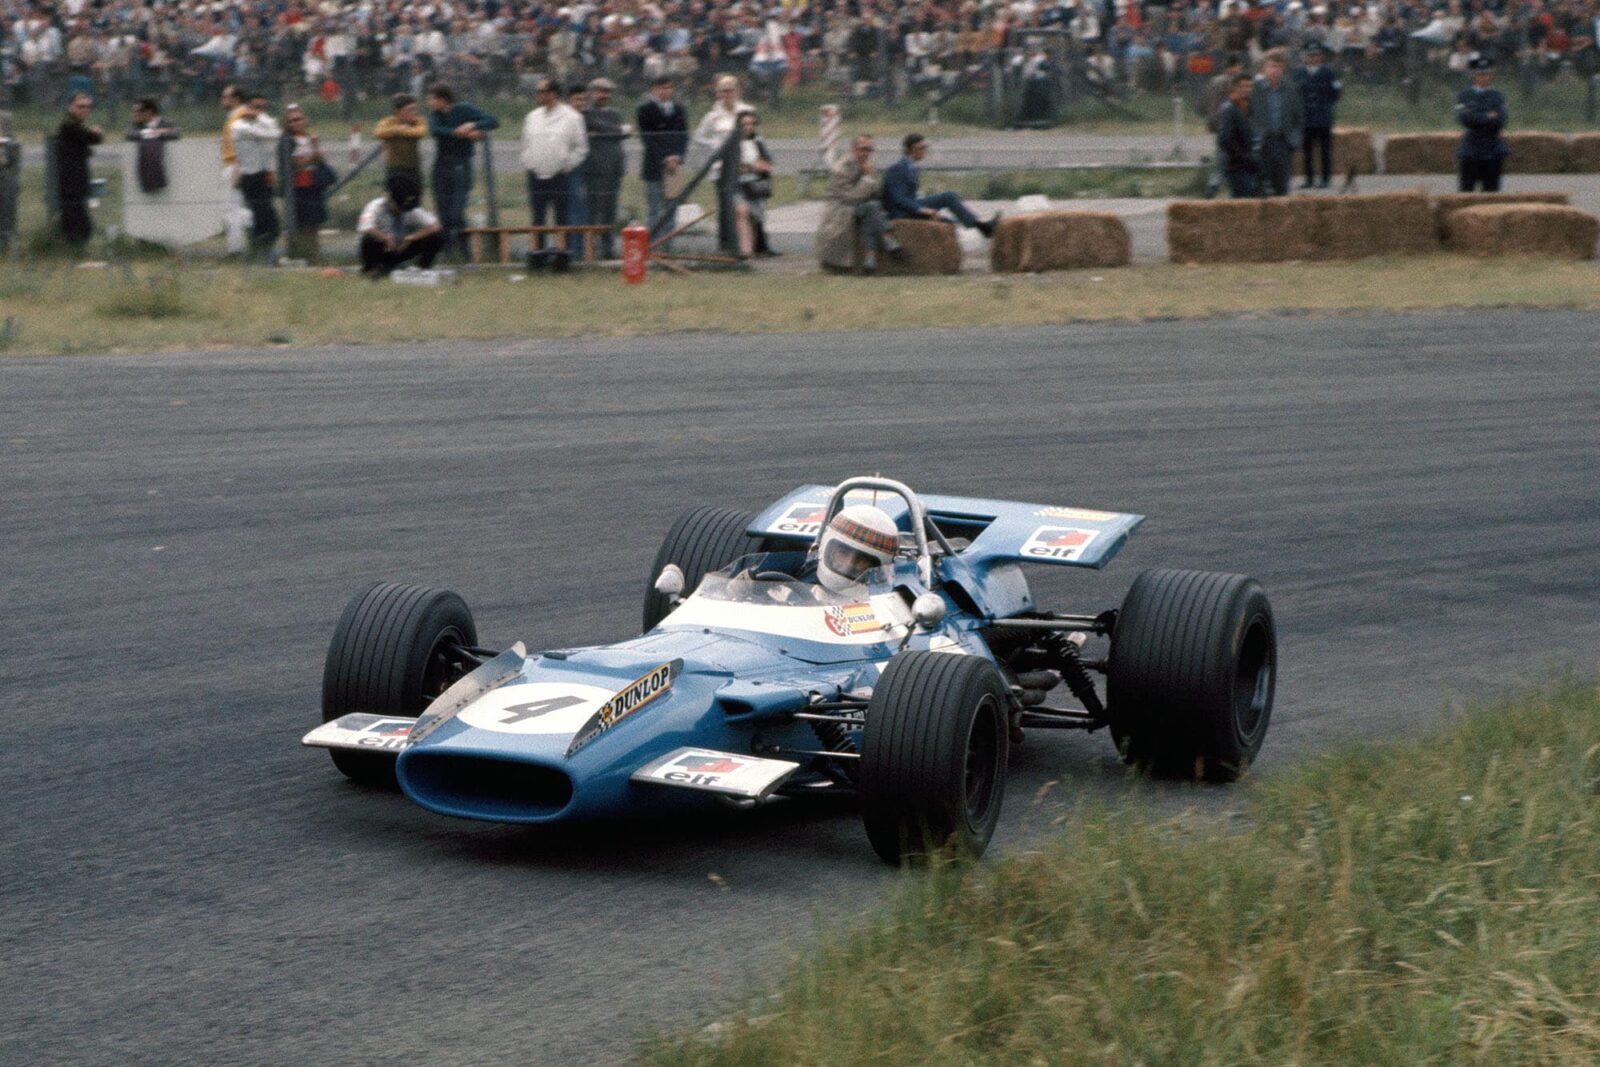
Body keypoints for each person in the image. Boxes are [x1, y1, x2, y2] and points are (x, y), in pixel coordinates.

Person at [427, 82, 499, 260]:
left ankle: (465, 251)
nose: (429, 102)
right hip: (441, 165)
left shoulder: (464, 109)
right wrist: (457, 132)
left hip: (461, 165)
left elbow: (492, 121)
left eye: (432, 98)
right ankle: (447, 253)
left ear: (443, 99)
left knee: (456, 212)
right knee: (443, 212)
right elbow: (435, 130)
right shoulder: (435, 115)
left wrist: (472, 126)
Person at [882, 133, 998, 237]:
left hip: (910, 207)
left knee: (948, 218)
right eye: (923, 148)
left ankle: (979, 225)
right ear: (913, 149)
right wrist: (921, 209)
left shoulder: (911, 167)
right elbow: (898, 198)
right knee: (948, 198)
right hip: (901, 213)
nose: (925, 151)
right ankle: (981, 227)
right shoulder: (897, 168)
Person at [520, 77, 588, 251]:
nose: (537, 95)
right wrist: (530, 164)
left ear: (552, 94)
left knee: (562, 219)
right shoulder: (532, 117)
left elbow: (581, 148)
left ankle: (563, 255)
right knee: (538, 219)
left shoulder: (572, 117)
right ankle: (538, 254)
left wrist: (567, 165)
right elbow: (525, 144)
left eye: (541, 91)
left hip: (559, 176)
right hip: (536, 176)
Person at [816, 133, 898, 274]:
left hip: (861, 207)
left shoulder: (868, 165)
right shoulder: (843, 167)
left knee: (872, 212)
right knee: (872, 207)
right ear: (853, 149)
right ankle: (889, 241)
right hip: (840, 210)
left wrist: (871, 178)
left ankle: (870, 260)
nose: (866, 153)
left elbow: (877, 194)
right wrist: (868, 179)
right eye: (863, 149)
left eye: (869, 149)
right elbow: (852, 197)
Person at [358, 173, 446, 276]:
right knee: (368, 239)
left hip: (400, 248)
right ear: (389, 197)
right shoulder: (375, 206)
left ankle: (422, 267)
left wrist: (410, 238)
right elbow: (366, 227)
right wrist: (385, 238)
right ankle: (372, 269)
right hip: (382, 248)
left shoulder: (408, 209)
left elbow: (435, 226)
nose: (400, 210)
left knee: (438, 236)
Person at [636, 75, 689, 244]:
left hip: (674, 168)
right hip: (654, 166)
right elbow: (648, 139)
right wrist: (664, 157)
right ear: (654, 89)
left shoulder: (679, 110)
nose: (665, 91)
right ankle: (652, 244)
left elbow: (684, 136)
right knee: (654, 209)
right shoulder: (645, 110)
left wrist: (677, 156)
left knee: (671, 208)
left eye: (668, 87)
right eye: (661, 88)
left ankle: (668, 244)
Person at [231, 90, 282, 262]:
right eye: (255, 107)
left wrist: (271, 171)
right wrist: (264, 121)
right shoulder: (239, 126)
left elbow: (271, 148)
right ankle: (258, 249)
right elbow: (273, 134)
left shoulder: (262, 122)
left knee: (265, 214)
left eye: (262, 108)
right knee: (259, 214)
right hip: (248, 176)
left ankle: (263, 250)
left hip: (263, 174)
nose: (259, 111)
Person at [583, 77, 628, 259]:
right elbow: (618, 131)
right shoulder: (586, 113)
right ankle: (590, 249)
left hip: (614, 168)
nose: (604, 95)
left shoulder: (616, 113)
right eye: (600, 91)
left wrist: (604, 130)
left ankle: (608, 248)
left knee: (610, 209)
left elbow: (623, 133)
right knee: (593, 210)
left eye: (607, 92)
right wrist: (616, 130)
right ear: (592, 93)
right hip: (595, 169)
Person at [1249, 50, 1303, 197]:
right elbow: (1247, 115)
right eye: (1272, 66)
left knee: (1282, 188)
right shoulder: (1254, 89)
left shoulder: (1291, 89)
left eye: (1279, 66)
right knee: (1258, 189)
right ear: (1264, 68)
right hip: (1261, 143)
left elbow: (1299, 118)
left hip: (1283, 143)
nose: (1275, 70)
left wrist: (1293, 142)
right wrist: (1253, 139)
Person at [285, 104, 334, 262]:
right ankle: (304, 255)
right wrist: (312, 158)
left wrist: (316, 150)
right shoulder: (289, 141)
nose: (295, 123)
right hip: (300, 186)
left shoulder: (309, 139)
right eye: (292, 121)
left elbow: (320, 160)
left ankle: (315, 256)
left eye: (298, 119)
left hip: (313, 184)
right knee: (303, 225)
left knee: (314, 225)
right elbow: (293, 166)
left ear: (305, 120)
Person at [54, 92, 102, 250]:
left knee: (79, 220)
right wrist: (94, 134)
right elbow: (93, 138)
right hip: (70, 182)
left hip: (78, 180)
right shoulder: (69, 125)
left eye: (87, 107)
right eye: (80, 106)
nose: (85, 110)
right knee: (78, 222)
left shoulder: (75, 126)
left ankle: (74, 248)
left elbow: (83, 144)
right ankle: (72, 248)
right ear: (70, 107)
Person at [814, 505, 899, 593]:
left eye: (862, 560)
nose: (849, 563)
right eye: (843, 553)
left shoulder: (886, 596)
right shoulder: (806, 576)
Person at [1456, 56, 1508, 193]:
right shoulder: (1465, 95)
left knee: (1491, 191)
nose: (1484, 77)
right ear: (1473, 76)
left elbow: (1501, 120)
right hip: (1471, 149)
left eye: (1487, 74)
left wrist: (1476, 116)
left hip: (1493, 148)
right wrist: (1487, 116)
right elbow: (1464, 119)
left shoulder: (1497, 96)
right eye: (1480, 74)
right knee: (1466, 190)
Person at [1296, 43, 1342, 189]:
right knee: (1307, 151)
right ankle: (1309, 179)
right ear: (1305, 57)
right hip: (1306, 118)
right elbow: (1295, 94)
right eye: (1310, 55)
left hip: (1323, 118)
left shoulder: (1328, 72)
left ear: (1320, 56)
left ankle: (1325, 179)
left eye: (1315, 55)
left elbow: (1336, 93)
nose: (1313, 58)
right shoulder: (1299, 73)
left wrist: (1326, 105)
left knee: (1325, 150)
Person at [735, 110, 775, 257]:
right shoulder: (733, 143)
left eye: (751, 124)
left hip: (756, 185)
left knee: (757, 217)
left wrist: (753, 167)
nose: (748, 127)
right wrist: (753, 166)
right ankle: (745, 251)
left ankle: (755, 249)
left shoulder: (758, 141)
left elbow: (767, 164)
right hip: (739, 185)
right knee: (742, 212)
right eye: (745, 124)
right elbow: (734, 167)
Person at [1215, 74, 1259, 199]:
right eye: (1243, 86)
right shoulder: (1229, 109)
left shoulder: (1247, 108)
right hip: (1236, 166)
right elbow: (1224, 139)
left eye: (1250, 86)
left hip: (1249, 165)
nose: (1247, 89)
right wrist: (1244, 157)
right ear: (1235, 88)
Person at [219, 84, 250, 254]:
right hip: (231, 164)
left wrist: (238, 168)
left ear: (236, 99)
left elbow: (243, 146)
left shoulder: (240, 116)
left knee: (232, 209)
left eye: (226, 97)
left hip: (235, 165)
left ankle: (235, 249)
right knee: (230, 209)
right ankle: (257, 221)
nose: (222, 100)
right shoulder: (234, 116)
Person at [126, 98, 179, 195]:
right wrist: (153, 132)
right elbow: (129, 135)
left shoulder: (167, 122)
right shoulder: (135, 124)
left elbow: (175, 134)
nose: (134, 114)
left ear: (148, 112)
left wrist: (159, 133)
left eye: (137, 111)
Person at [373, 93, 427, 183]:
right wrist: (397, 129)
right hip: (394, 169)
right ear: (398, 111)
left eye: (415, 109)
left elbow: (420, 132)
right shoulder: (388, 122)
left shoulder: (418, 121)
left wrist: (402, 131)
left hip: (413, 169)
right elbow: (378, 132)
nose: (414, 112)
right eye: (410, 109)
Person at [1, 108, 23, 255]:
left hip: (4, 170)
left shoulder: (5, 118)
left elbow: (14, 147)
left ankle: (6, 243)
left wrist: (13, 172)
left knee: (7, 211)